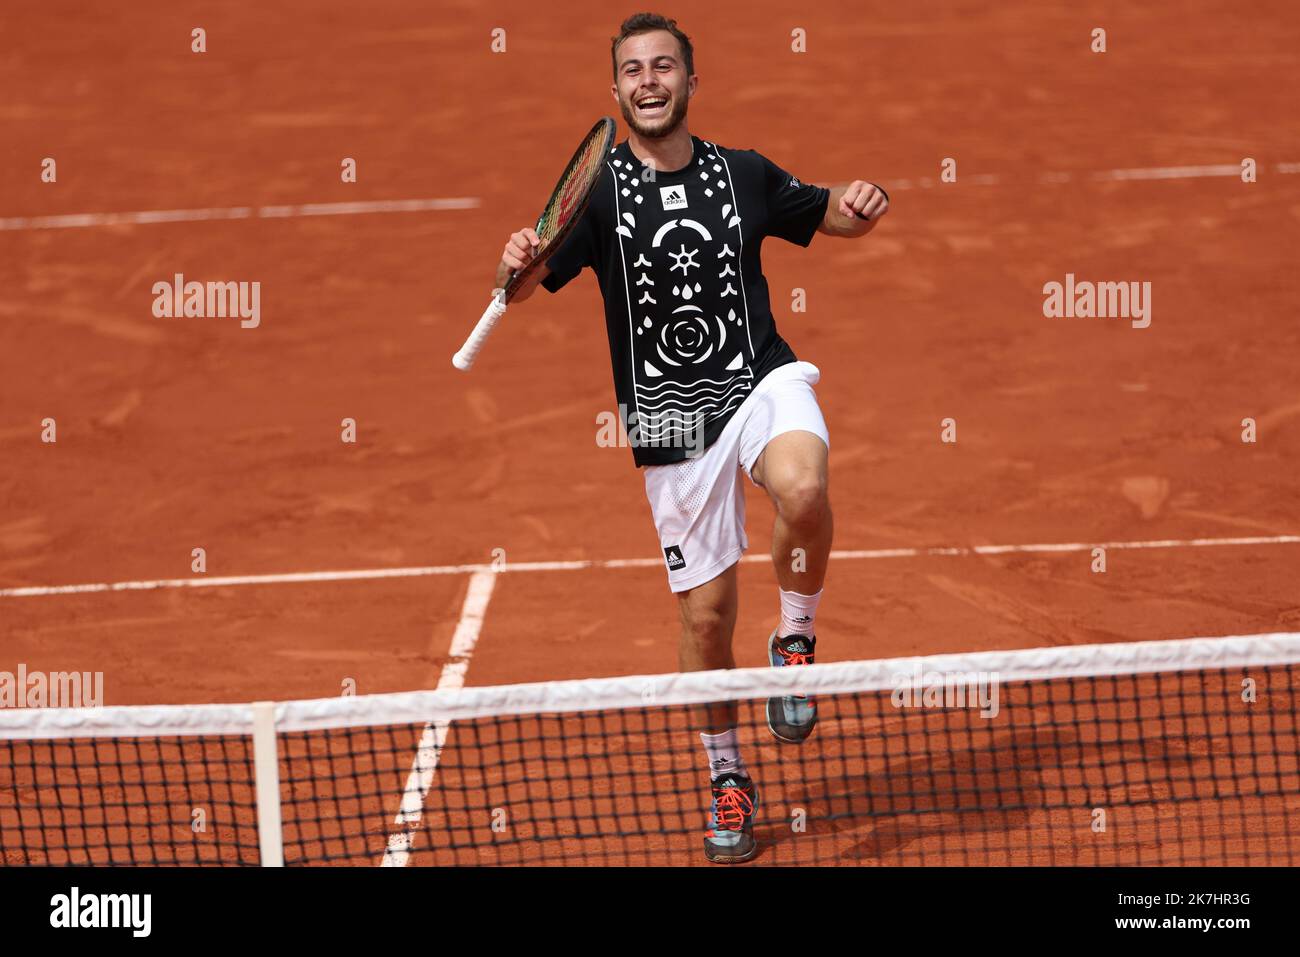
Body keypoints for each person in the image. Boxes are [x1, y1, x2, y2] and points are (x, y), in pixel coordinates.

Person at [494, 13, 889, 863]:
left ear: (689, 81)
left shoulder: (743, 174)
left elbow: (830, 217)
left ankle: (794, 638)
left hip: (758, 379)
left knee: (805, 489)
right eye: (632, 69)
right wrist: (516, 260)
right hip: (668, 421)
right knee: (706, 621)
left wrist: (862, 204)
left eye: (663, 65)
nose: (648, 80)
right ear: (616, 91)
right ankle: (726, 777)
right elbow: (526, 288)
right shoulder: (597, 196)